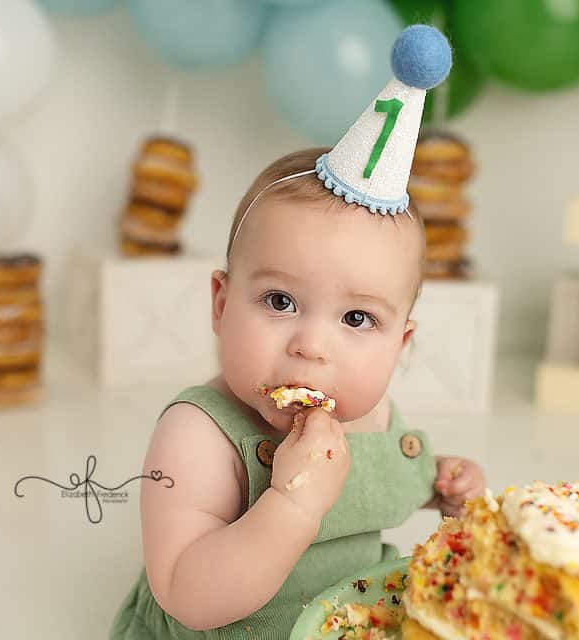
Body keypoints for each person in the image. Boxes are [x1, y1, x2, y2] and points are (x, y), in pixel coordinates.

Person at [110, 25, 486, 639]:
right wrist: (293, 503)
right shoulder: (197, 435)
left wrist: (441, 482)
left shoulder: (375, 415)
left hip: (357, 617)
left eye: (358, 319)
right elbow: (185, 594)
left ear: (402, 345)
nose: (311, 345)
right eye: (280, 300)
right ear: (221, 304)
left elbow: (373, 487)